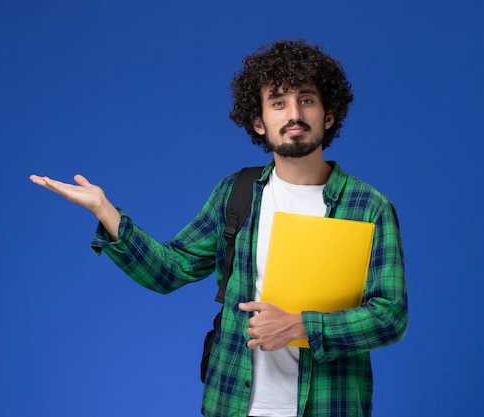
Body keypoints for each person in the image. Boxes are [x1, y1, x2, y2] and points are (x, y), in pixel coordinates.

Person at [30, 39, 408, 417]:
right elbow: (170, 269)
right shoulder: (236, 193)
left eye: (306, 99)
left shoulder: (368, 207)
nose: (294, 113)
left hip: (330, 404)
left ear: (328, 115)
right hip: (232, 404)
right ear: (259, 122)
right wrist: (104, 209)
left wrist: (301, 326)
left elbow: (390, 316)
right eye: (278, 102)